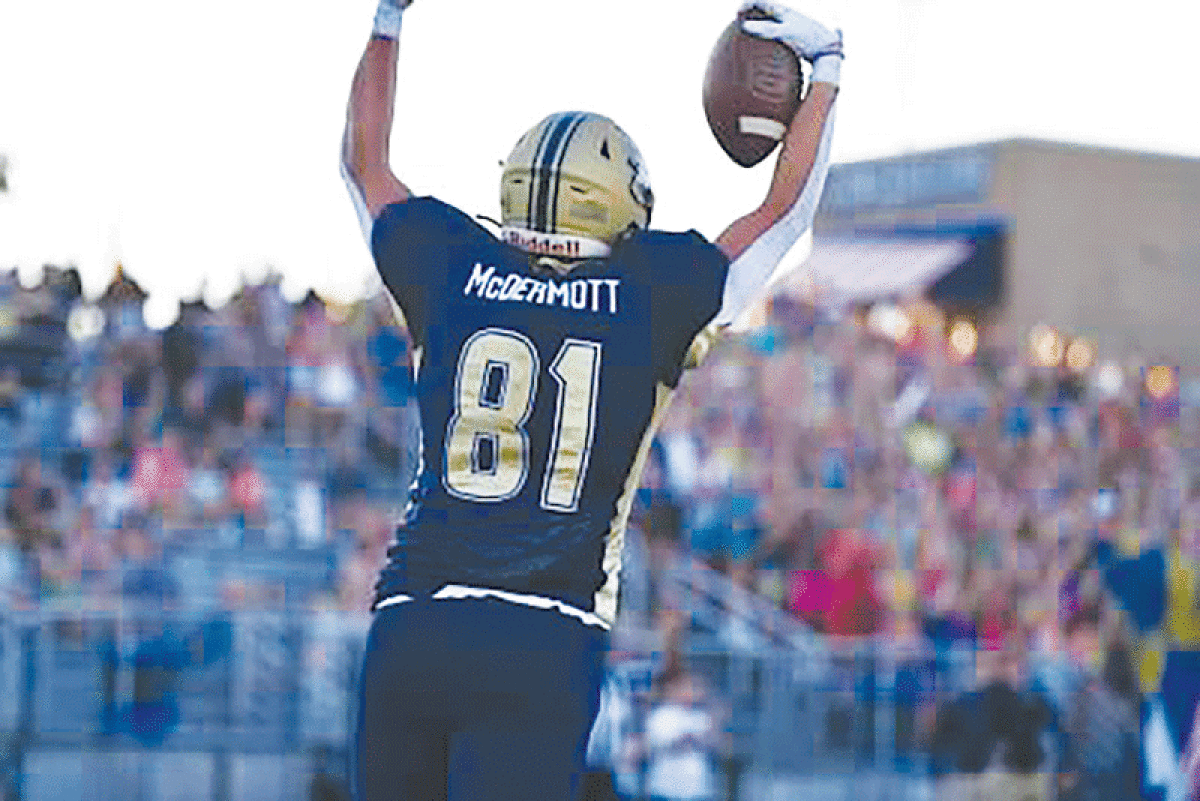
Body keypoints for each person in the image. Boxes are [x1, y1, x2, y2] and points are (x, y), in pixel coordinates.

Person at [339, 0, 842, 798]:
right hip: (544, 633)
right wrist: (827, 73)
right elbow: (783, 216)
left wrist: (388, 20)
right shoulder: (651, 291)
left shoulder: (446, 261)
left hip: (416, 616)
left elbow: (364, 162)